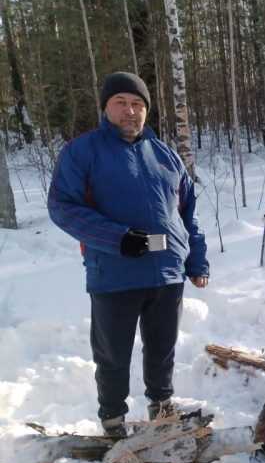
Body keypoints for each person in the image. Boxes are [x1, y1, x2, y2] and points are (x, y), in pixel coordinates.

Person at [48, 71, 209, 437]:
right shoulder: (82, 152)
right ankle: (113, 419)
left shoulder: (166, 155)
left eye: (138, 104)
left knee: (162, 350)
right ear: (106, 107)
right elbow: (62, 207)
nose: (130, 111)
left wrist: (196, 260)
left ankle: (161, 406)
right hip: (114, 274)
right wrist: (118, 238)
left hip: (167, 274)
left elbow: (187, 214)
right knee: (113, 355)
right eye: (121, 103)